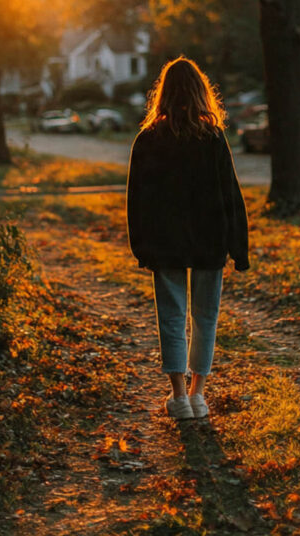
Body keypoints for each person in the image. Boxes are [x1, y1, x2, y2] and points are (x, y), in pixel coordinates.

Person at [126, 56, 249, 420]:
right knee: (205, 316)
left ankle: (178, 396)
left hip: (166, 243)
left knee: (171, 315)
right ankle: (198, 394)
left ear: (162, 94)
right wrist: (238, 248)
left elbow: (137, 199)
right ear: (200, 92)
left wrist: (142, 247)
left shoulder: (147, 140)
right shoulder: (212, 138)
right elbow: (231, 195)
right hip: (210, 240)